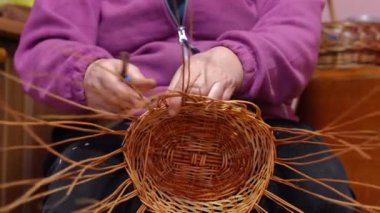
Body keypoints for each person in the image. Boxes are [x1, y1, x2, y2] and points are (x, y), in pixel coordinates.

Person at [15, 0, 355, 212]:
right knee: (81, 194)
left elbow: (295, 32)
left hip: (260, 123)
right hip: (121, 129)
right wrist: (86, 73)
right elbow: (45, 46)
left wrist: (235, 60)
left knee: (321, 190)